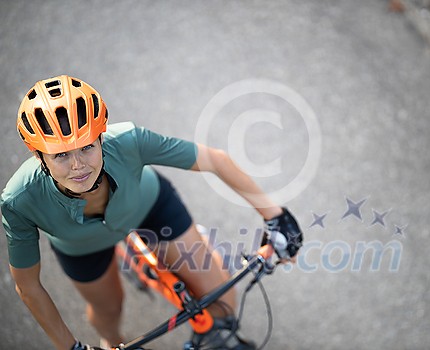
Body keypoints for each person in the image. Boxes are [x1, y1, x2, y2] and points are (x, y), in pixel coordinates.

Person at [1, 75, 303, 350]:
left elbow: (217, 160)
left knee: (222, 302)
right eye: (61, 155)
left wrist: (276, 216)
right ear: (37, 154)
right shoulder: (18, 199)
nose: (78, 165)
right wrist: (71, 348)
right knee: (109, 311)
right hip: (82, 245)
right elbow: (27, 286)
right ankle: (111, 340)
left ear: (101, 137)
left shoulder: (130, 140)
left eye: (87, 147)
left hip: (149, 206)